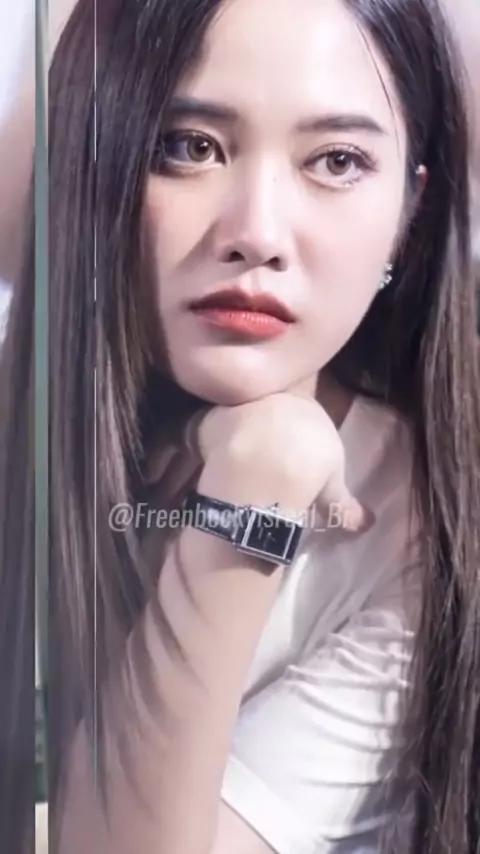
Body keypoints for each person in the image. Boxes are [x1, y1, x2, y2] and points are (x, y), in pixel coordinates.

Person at [0, 0, 479, 853]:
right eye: (189, 147)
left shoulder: (422, 526)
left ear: (409, 212)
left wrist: (252, 498)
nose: (256, 235)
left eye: (336, 160)